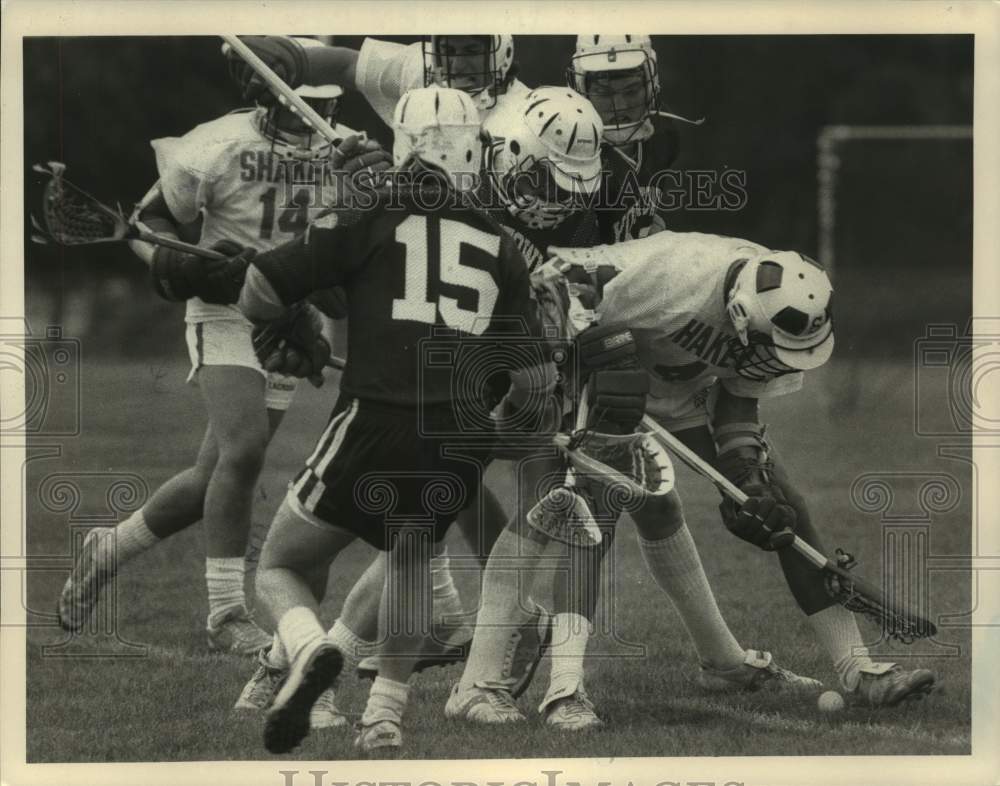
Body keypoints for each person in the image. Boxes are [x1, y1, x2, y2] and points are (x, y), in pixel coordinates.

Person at [160, 85, 559, 757]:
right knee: (409, 562)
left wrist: (286, 320)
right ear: (473, 151)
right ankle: (384, 716)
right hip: (459, 436)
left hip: (374, 418)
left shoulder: (370, 212)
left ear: (404, 145)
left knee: (281, 564)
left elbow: (262, 289)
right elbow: (533, 381)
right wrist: (508, 419)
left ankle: (312, 650)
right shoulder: (502, 244)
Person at [57, 38, 358, 685]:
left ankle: (106, 550)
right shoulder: (219, 143)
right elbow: (149, 221)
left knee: (211, 477)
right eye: (295, 108)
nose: (309, 122)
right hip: (223, 313)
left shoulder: (348, 152)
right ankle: (226, 612)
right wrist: (176, 264)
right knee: (244, 450)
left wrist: (320, 297)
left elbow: (349, 256)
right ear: (263, 94)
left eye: (320, 107)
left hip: (287, 318)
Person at [534, 233, 937, 713]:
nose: (775, 359)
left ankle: (858, 670)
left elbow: (738, 402)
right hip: (610, 386)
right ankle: (563, 690)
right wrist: (575, 353)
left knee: (785, 506)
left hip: (688, 391)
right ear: (741, 313)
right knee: (593, 518)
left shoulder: (780, 314)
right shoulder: (671, 274)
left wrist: (746, 479)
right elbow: (551, 282)